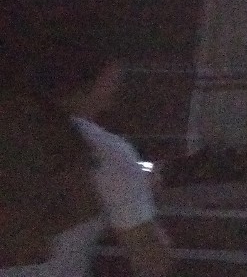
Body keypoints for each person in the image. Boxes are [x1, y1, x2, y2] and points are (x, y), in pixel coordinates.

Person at [0, 20, 170, 277]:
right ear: (100, 80)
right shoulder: (103, 153)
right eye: (113, 82)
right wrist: (138, 195)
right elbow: (151, 258)